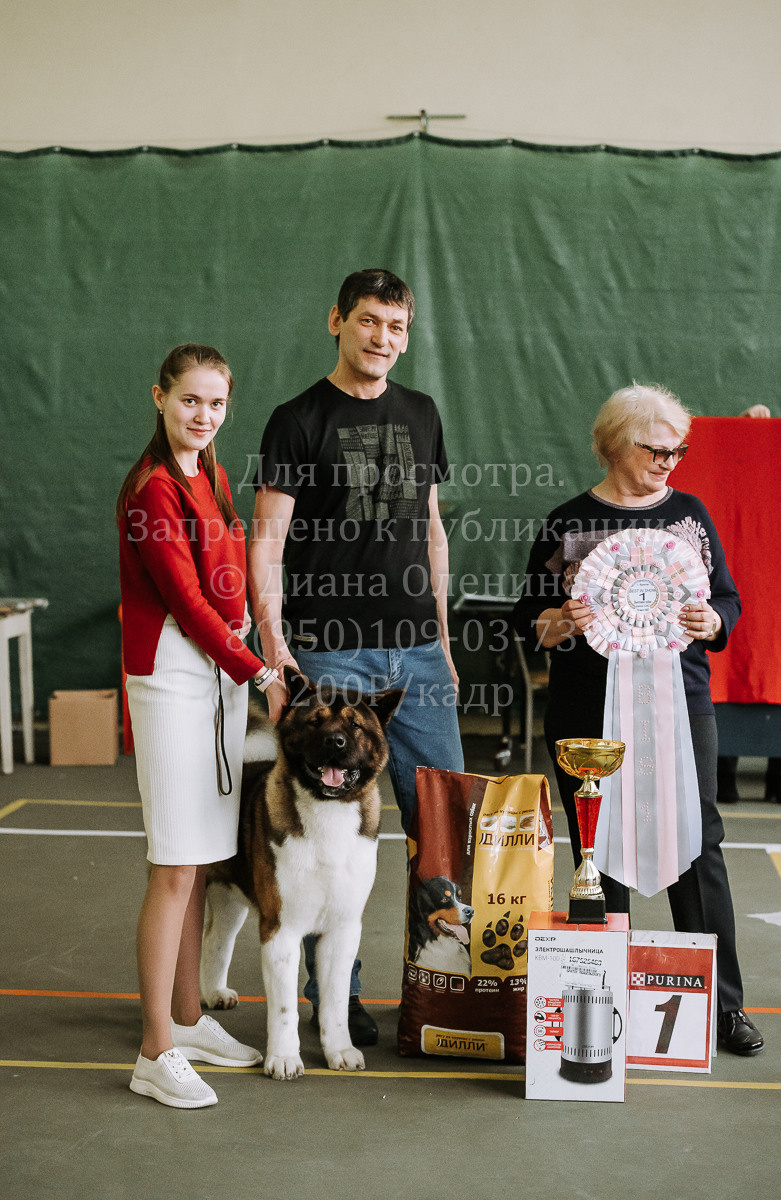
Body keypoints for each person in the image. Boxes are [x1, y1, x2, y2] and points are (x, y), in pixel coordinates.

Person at [512, 382, 764, 1056]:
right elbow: (525, 616)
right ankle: (606, 1001)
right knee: (596, 848)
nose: (670, 461)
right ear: (617, 444)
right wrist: (557, 621)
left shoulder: (690, 514)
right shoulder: (565, 520)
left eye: (679, 449)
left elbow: (726, 601)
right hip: (583, 709)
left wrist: (714, 622)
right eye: (658, 448)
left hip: (679, 704)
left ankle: (720, 1007)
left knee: (697, 842)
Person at [248, 268, 464, 1044]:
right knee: (327, 838)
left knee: (442, 830)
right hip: (328, 660)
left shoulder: (423, 412)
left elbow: (432, 528)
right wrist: (274, 658)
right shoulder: (296, 419)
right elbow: (265, 542)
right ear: (336, 320)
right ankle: (337, 1000)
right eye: (369, 322)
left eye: (397, 327)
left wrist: (440, 637)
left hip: (418, 658)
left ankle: (441, 988)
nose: (383, 339)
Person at [118, 344, 281, 1108]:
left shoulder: (209, 472)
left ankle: (187, 1018)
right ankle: (154, 1050)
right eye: (190, 401)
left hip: (217, 679)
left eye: (215, 404)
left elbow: (228, 575)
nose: (203, 415)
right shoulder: (152, 489)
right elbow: (185, 602)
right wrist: (262, 673)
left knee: (202, 861)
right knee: (175, 865)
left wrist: (254, 644)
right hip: (172, 682)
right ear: (160, 397)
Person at [716, 404, 781, 806]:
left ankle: (778, 776)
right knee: (732, 662)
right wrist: (747, 431)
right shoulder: (731, 495)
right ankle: (725, 771)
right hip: (744, 576)